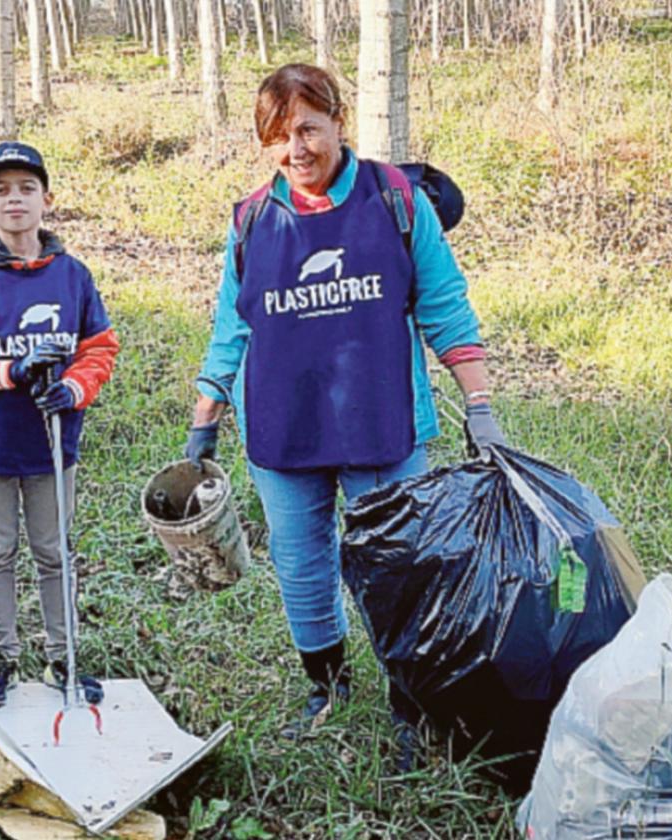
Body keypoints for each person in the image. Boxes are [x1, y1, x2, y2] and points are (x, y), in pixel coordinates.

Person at [184, 64, 507, 765]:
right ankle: (324, 688)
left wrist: (479, 405)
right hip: (283, 422)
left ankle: (409, 705)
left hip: (381, 423)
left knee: (396, 568)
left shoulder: (395, 201)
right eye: (277, 136)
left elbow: (446, 306)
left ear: (339, 123)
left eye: (308, 129)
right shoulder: (251, 220)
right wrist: (205, 417)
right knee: (302, 567)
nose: (295, 149)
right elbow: (231, 328)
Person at [0, 141, 120, 710]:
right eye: (1, 190)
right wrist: (9, 371)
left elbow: (99, 347)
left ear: (46, 200)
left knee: (54, 550)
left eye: (26, 189)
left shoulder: (73, 276)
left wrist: (75, 388)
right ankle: (0, 660)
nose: (14, 201)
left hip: (55, 445)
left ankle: (66, 657)